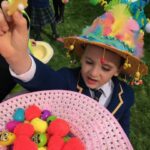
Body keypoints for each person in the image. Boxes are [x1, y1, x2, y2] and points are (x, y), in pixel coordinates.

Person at [0, 1, 148, 137]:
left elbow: (121, 132)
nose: (94, 73)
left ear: (118, 70)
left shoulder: (126, 96)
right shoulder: (67, 80)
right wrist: (18, 58)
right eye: (89, 62)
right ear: (82, 56)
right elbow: (45, 79)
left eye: (106, 68)